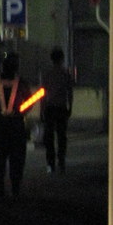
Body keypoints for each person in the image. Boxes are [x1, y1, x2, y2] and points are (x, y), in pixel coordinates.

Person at [0, 52, 32, 198]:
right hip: (17, 126)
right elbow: (29, 102)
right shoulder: (22, 83)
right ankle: (15, 189)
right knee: (17, 159)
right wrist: (20, 111)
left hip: (0, 125)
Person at [41, 46, 74, 174]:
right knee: (61, 137)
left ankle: (50, 164)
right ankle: (61, 162)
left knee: (49, 138)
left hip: (49, 108)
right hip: (61, 108)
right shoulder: (66, 74)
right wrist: (70, 107)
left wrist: (42, 110)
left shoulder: (47, 74)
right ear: (62, 59)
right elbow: (69, 92)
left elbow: (43, 93)